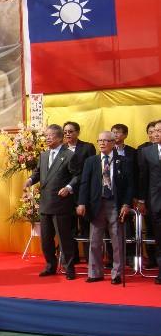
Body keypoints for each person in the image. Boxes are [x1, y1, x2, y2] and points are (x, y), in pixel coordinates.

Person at [24, 124, 81, 280]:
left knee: (64, 239)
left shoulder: (69, 155)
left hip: (62, 203)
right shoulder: (43, 155)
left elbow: (77, 176)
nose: (47, 138)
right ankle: (50, 266)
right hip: (45, 203)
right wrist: (30, 180)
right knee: (46, 239)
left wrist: (69, 187)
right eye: (46, 135)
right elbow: (37, 173)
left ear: (60, 137)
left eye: (50, 135)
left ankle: (69, 268)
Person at [77, 131, 133, 284]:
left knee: (117, 240)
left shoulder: (124, 161)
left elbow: (130, 185)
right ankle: (95, 273)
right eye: (99, 140)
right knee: (95, 240)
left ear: (113, 143)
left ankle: (117, 274)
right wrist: (81, 203)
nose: (102, 143)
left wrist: (126, 204)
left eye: (105, 140)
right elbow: (84, 183)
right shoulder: (91, 161)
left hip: (115, 204)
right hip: (96, 204)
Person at [63, 121, 96, 263]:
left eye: (70, 131)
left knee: (85, 226)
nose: (67, 134)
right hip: (65, 194)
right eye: (65, 132)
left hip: (83, 191)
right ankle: (72, 257)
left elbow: (91, 170)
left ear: (77, 132)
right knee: (68, 227)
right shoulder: (61, 148)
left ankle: (90, 258)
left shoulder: (87, 147)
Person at [111, 123, 138, 265]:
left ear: (125, 135)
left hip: (127, 193)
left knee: (127, 225)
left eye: (118, 132)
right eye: (113, 132)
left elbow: (136, 174)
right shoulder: (107, 150)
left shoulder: (133, 152)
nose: (115, 135)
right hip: (111, 193)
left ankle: (130, 255)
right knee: (110, 226)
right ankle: (112, 257)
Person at [137, 120, 161, 284]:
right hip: (156, 201)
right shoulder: (147, 152)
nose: (156, 133)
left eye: (160, 130)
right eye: (155, 130)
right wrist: (141, 200)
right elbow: (143, 178)